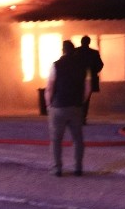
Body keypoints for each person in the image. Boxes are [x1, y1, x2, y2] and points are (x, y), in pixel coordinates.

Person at [44, 40, 91, 176]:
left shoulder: (55, 65)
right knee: (78, 139)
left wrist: (48, 104)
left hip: (58, 107)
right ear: (74, 50)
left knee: (56, 140)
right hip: (76, 107)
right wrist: (81, 102)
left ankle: (57, 169)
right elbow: (88, 88)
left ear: (62, 51)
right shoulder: (84, 67)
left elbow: (49, 88)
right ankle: (78, 168)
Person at [77, 35, 104, 125]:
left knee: (77, 98)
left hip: (77, 79)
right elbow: (100, 65)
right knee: (86, 100)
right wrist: (93, 72)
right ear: (89, 42)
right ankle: (83, 117)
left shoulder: (76, 52)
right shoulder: (94, 53)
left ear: (81, 42)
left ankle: (77, 117)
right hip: (90, 80)